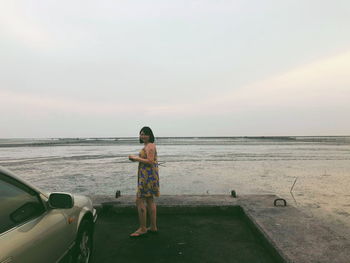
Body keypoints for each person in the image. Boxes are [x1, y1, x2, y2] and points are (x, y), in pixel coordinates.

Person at [128, 126, 159, 237]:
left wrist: (135, 158)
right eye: (141, 134)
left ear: (150, 135)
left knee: (139, 200)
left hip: (147, 177)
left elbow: (150, 161)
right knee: (150, 200)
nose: (143, 136)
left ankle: (143, 228)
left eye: (145, 134)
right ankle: (153, 227)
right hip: (148, 175)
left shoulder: (150, 146)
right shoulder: (147, 146)